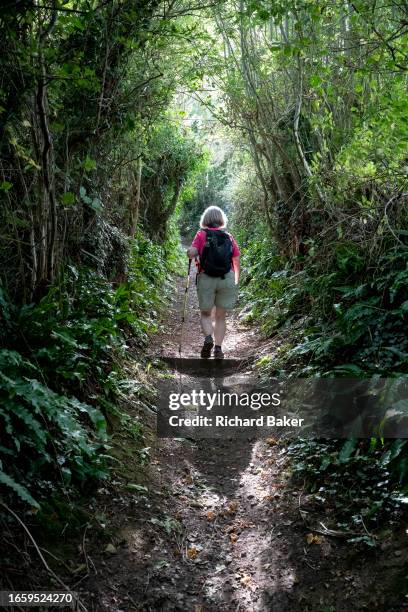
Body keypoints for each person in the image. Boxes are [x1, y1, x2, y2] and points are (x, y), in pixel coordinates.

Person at [187, 205, 240, 359]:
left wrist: (189, 252)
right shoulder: (228, 236)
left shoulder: (201, 234)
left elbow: (192, 253)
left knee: (205, 313)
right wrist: (235, 280)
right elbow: (236, 260)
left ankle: (208, 338)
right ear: (221, 219)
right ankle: (218, 349)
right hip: (227, 278)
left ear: (205, 220)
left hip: (207, 278)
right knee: (221, 317)